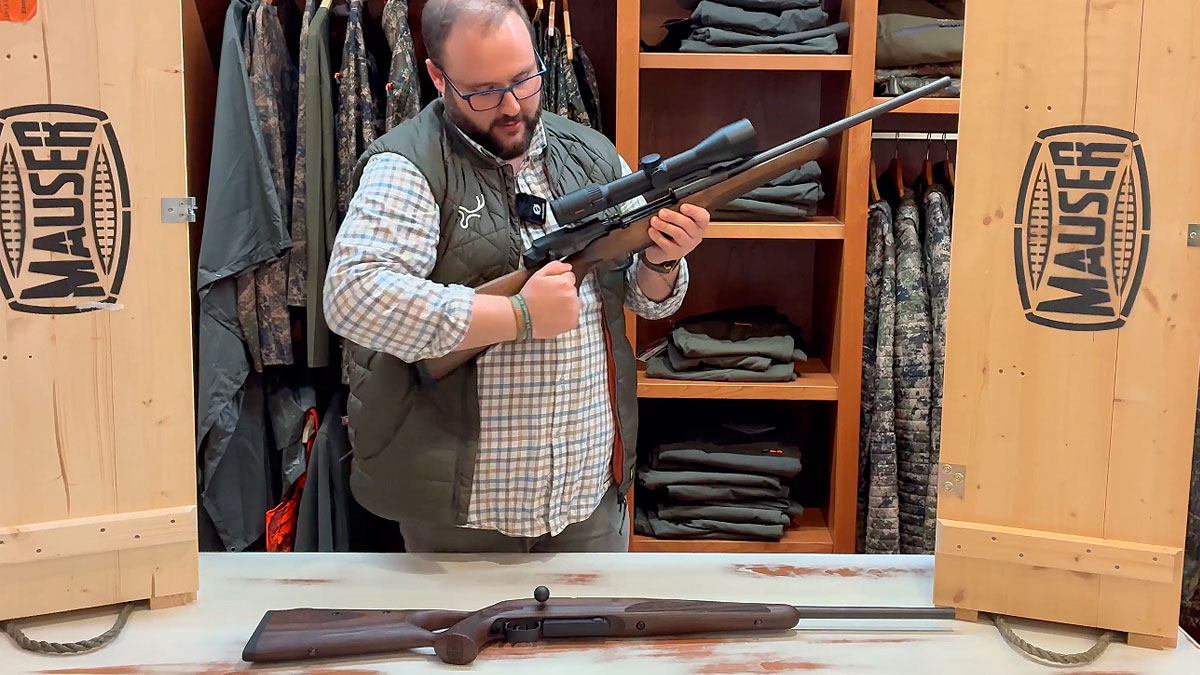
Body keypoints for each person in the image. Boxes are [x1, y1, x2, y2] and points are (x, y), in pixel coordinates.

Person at [322, 0, 711, 553]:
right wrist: (518, 316)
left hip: (588, 501)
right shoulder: (408, 165)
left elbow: (646, 301)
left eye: (525, 79)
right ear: (438, 76)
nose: (511, 106)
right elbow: (354, 296)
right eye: (483, 91)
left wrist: (663, 260)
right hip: (462, 518)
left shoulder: (592, 154)